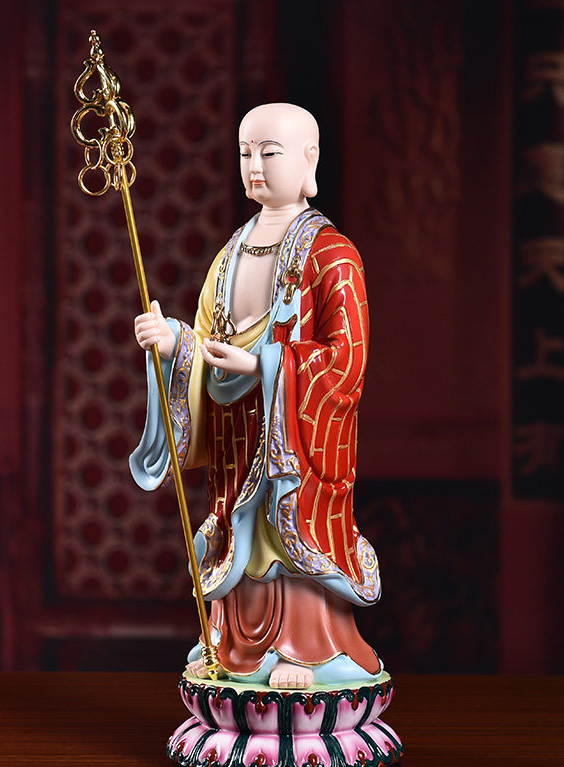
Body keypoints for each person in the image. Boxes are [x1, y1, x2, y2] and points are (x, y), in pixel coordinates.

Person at [130, 103, 382, 689]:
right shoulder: (230, 256)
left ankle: (308, 649)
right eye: (245, 153)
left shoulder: (332, 255)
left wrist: (267, 367)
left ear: (309, 159)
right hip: (236, 439)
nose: (255, 166)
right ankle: (231, 643)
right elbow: (207, 346)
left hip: (294, 444)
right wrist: (173, 345)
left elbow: (347, 360)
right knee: (239, 544)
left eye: (270, 152)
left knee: (286, 534)